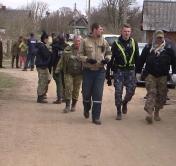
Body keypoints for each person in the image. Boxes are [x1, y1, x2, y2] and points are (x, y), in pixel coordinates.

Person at [136, 30, 176, 124]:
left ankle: (157, 111)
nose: (159, 39)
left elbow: (174, 61)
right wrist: (138, 72)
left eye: (161, 38)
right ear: (155, 38)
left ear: (163, 38)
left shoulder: (168, 48)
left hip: (163, 75)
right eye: (157, 38)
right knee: (151, 93)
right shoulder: (148, 47)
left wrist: (174, 73)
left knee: (162, 95)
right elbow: (141, 60)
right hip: (150, 74)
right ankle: (149, 113)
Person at [78, 22, 111, 125]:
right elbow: (79, 55)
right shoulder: (85, 41)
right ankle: (86, 108)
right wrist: (87, 59)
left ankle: (96, 117)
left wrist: (107, 59)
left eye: (101, 29)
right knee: (86, 94)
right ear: (94, 30)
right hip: (88, 71)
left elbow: (109, 53)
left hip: (100, 72)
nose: (101, 31)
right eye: (100, 29)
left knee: (98, 94)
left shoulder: (104, 41)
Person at [107, 23, 139, 120]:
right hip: (119, 70)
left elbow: (138, 58)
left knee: (131, 91)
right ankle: (118, 111)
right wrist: (108, 75)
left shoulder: (134, 42)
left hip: (130, 71)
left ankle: (124, 103)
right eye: (125, 31)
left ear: (131, 32)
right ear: (121, 32)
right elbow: (110, 59)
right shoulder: (116, 43)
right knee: (118, 92)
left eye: (128, 31)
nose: (126, 33)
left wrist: (138, 72)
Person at [56, 35, 82, 113]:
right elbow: (62, 60)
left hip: (79, 74)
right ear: (73, 41)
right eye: (76, 41)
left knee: (76, 90)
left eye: (79, 41)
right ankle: (67, 105)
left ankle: (73, 105)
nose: (77, 42)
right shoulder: (67, 49)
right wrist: (57, 69)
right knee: (68, 88)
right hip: (68, 73)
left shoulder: (83, 50)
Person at [35, 31, 52, 103]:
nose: (48, 40)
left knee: (46, 79)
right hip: (41, 65)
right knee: (42, 81)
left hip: (42, 65)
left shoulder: (42, 45)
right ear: (45, 39)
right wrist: (50, 53)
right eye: (48, 39)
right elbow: (46, 55)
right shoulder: (42, 46)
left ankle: (42, 94)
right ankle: (40, 97)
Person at [51, 34, 68, 104]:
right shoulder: (67, 47)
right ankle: (64, 97)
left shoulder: (55, 47)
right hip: (65, 66)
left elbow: (53, 57)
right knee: (64, 82)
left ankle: (59, 98)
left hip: (57, 66)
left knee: (59, 82)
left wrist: (51, 65)